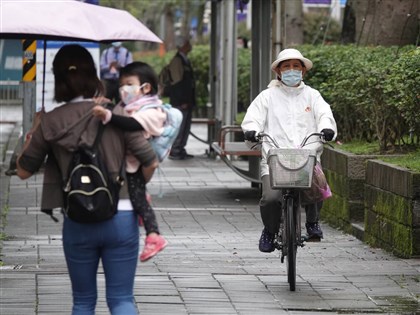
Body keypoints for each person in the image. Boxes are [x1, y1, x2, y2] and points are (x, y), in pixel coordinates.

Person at [16, 44, 159, 315]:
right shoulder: (118, 114)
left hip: (77, 217)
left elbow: (23, 171)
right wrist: (133, 186)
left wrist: (36, 129)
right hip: (121, 214)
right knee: (122, 300)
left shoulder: (50, 121)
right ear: (93, 76)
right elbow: (150, 161)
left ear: (58, 79)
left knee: (82, 302)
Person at [241, 48, 337, 253]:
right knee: (270, 199)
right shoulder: (266, 96)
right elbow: (253, 119)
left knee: (317, 188)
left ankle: (312, 222)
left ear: (303, 71)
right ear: (278, 71)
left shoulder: (313, 96)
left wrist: (326, 129)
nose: (291, 70)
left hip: (306, 156)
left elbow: (324, 115)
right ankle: (269, 230)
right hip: (275, 158)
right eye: (286, 66)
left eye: (296, 66)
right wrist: (252, 131)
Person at [92, 61, 168, 262]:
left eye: (129, 84)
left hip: (138, 164)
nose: (124, 89)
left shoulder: (152, 110)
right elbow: (120, 112)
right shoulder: (130, 105)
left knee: (139, 200)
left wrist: (107, 115)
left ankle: (154, 235)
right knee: (139, 197)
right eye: (121, 85)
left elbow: (130, 124)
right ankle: (145, 208)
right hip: (131, 162)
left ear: (146, 87)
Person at [166, 35, 196, 160]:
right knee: (181, 126)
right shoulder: (177, 61)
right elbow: (177, 83)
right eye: (188, 43)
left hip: (186, 100)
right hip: (181, 102)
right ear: (182, 46)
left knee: (185, 126)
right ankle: (175, 149)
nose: (190, 45)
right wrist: (182, 101)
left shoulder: (184, 60)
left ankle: (180, 148)